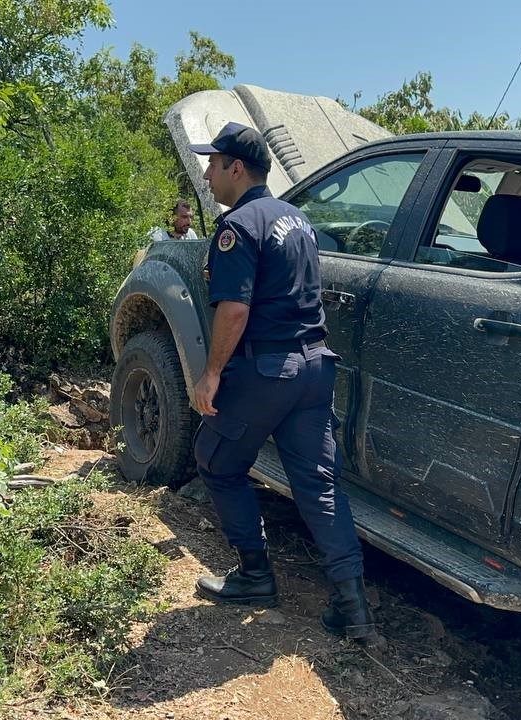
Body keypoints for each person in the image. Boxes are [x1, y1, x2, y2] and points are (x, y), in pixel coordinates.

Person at [187, 122, 376, 643]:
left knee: (217, 461)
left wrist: (211, 374)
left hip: (267, 370)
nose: (206, 174)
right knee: (320, 485)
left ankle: (254, 576)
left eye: (212, 163)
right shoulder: (298, 219)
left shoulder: (238, 226)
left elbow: (235, 308)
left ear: (236, 168)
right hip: (315, 368)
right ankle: (352, 608)